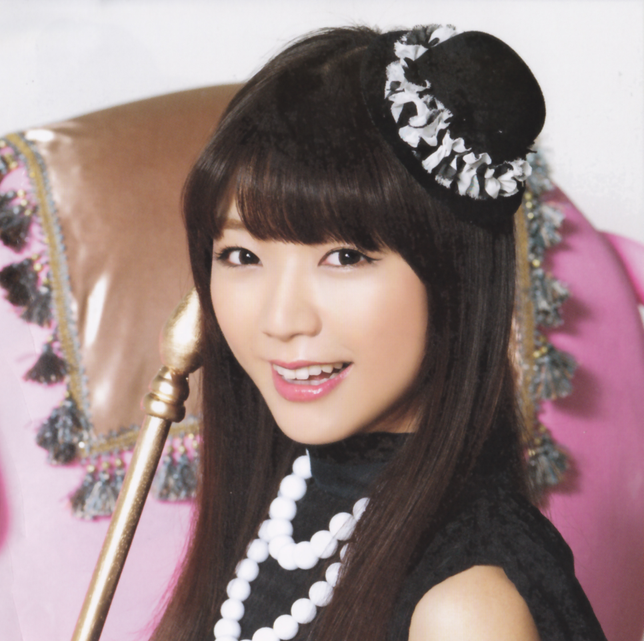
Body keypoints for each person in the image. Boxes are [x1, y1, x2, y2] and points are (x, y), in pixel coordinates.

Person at [151, 25, 606, 641]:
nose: (281, 320)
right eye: (242, 256)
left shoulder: (465, 609)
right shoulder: (280, 501)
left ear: (454, 277)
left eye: (344, 257)